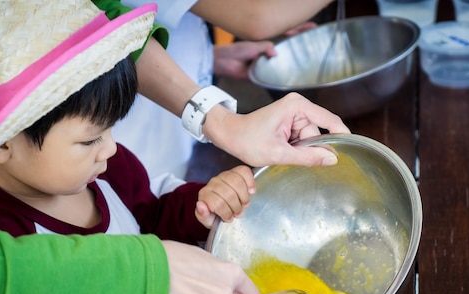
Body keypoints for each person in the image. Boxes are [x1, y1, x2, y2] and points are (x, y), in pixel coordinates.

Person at [0, 0, 347, 294]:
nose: (110, 149)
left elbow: (152, 213)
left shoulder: (105, 166)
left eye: (111, 130)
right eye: (90, 139)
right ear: (2, 145)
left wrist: (206, 204)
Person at [106, 0, 339, 180]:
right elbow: (256, 17)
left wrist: (212, 58)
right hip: (135, 151)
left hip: (173, 134)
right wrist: (225, 124)